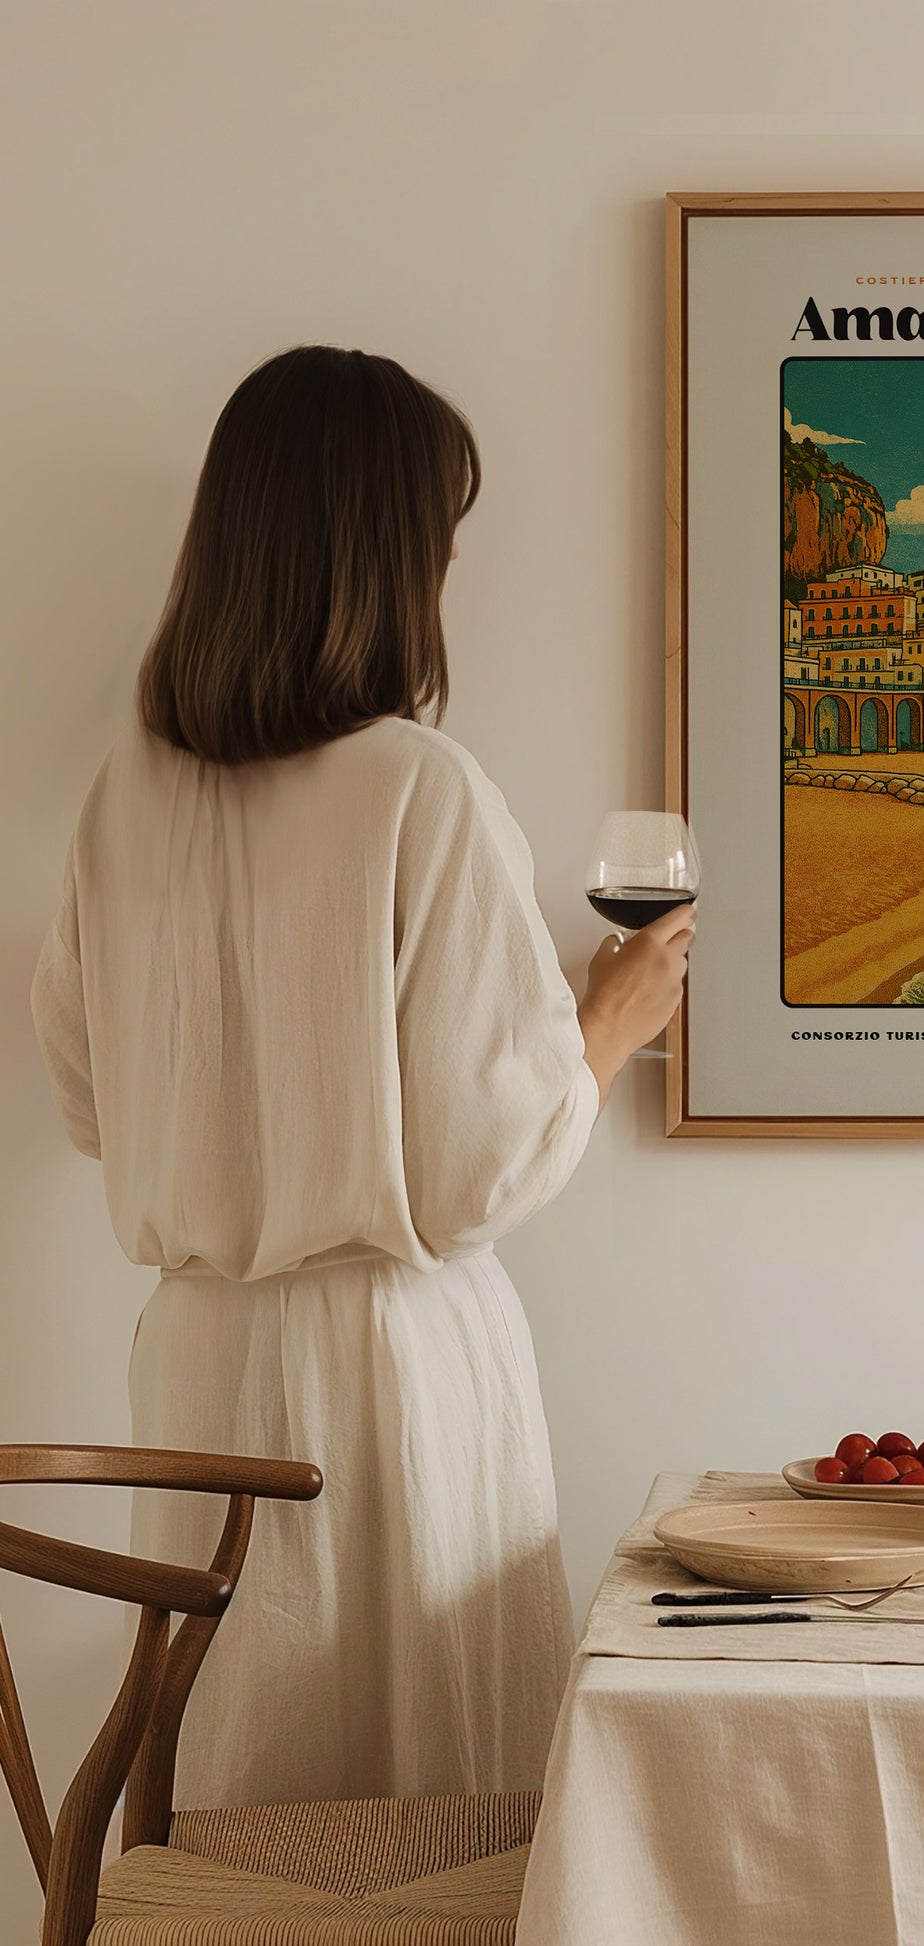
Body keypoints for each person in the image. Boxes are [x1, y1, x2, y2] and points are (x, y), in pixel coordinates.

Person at [29, 345, 690, 1806]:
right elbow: (474, 1173)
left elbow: (87, 1100)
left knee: (241, 1790)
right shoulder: (417, 785)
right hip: (390, 1372)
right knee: (423, 1810)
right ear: (387, 556)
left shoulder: (122, 797)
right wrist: (605, 1020)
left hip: (198, 1361)